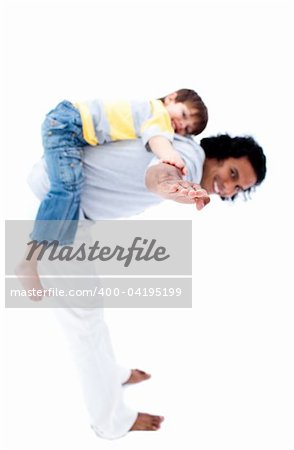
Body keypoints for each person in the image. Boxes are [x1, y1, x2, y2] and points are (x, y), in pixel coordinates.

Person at [24, 132, 266, 439]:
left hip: (72, 206)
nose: (228, 187)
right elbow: (159, 175)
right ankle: (110, 422)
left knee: (90, 313)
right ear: (220, 154)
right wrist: (169, 185)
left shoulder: (184, 151)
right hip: (63, 207)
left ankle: (113, 375)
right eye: (232, 173)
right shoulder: (188, 160)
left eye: (237, 188)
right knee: (83, 327)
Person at [18, 89, 208, 291]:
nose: (180, 125)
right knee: (67, 191)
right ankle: (29, 262)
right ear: (172, 98)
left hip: (68, 124)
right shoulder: (157, 115)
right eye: (184, 115)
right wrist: (171, 156)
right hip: (67, 125)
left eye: (187, 129)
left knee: (72, 203)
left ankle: (45, 259)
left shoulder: (146, 113)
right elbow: (158, 140)